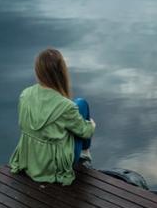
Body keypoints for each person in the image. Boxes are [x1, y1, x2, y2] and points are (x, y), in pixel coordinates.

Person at [9, 48, 96, 185]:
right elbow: (86, 132)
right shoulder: (66, 106)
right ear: (62, 72)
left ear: (38, 71)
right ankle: (84, 153)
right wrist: (91, 125)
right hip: (52, 166)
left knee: (76, 107)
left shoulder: (25, 94)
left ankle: (83, 152)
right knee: (81, 104)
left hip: (31, 159)